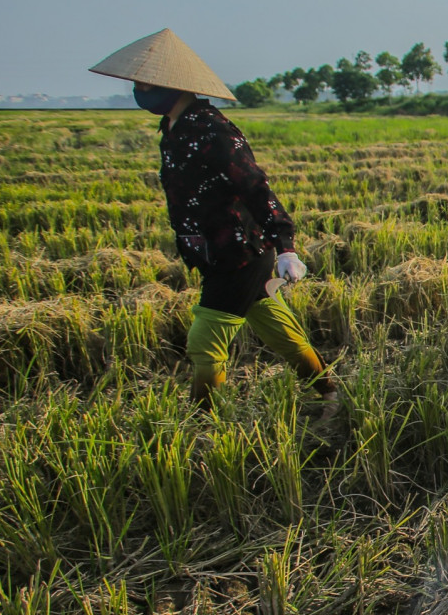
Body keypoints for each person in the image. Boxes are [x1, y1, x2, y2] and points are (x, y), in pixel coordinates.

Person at [89, 29, 338, 415]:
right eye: (137, 82)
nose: (140, 89)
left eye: (147, 83)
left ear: (172, 85)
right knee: (280, 332)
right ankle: (329, 395)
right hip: (215, 253)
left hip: (238, 252)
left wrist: (285, 246)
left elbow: (254, 186)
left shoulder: (211, 128)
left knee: (204, 343)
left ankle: (204, 422)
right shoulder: (172, 129)